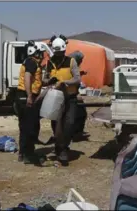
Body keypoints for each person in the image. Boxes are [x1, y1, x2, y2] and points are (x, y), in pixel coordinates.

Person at [42, 35, 81, 166]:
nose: (59, 54)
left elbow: (77, 78)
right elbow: (45, 79)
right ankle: (61, 150)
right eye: (57, 52)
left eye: (61, 52)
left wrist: (65, 83)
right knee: (56, 125)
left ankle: (63, 146)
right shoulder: (50, 62)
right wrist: (48, 81)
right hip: (55, 99)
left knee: (69, 124)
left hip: (70, 98)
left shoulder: (71, 61)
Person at [15, 40, 46, 165]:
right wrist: (29, 96)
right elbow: (28, 77)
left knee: (24, 126)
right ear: (36, 53)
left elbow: (34, 80)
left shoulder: (29, 62)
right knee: (31, 126)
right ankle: (29, 155)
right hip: (27, 96)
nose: (43, 55)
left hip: (22, 95)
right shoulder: (32, 63)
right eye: (41, 53)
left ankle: (23, 153)